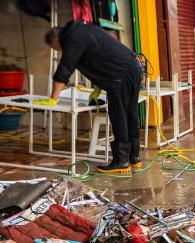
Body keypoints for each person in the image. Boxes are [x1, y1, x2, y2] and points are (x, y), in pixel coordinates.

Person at [45, 22, 143, 175]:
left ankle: (121, 162)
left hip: (120, 74)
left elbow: (65, 67)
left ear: (56, 40)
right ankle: (134, 158)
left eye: (55, 48)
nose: (59, 51)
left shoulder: (72, 38)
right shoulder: (82, 29)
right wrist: (98, 87)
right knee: (130, 113)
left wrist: (52, 99)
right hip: (133, 67)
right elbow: (99, 58)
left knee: (119, 116)